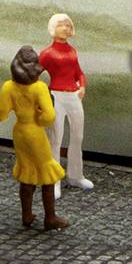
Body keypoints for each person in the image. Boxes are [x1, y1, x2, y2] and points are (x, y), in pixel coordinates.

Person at [0, 45, 67, 231]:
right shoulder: (39, 88)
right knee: (47, 174)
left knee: (27, 172)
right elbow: (49, 117)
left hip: (19, 132)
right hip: (35, 133)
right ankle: (50, 217)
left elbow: (0, 115)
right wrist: (40, 115)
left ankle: (26, 214)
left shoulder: (8, 87)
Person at [41, 12, 93, 193]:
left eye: (68, 25)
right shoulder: (47, 53)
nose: (66, 28)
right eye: (61, 25)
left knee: (77, 136)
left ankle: (76, 175)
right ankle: (53, 180)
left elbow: (79, 72)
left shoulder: (72, 51)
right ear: (53, 28)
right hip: (56, 96)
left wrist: (82, 85)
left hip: (74, 96)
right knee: (56, 138)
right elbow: (35, 72)